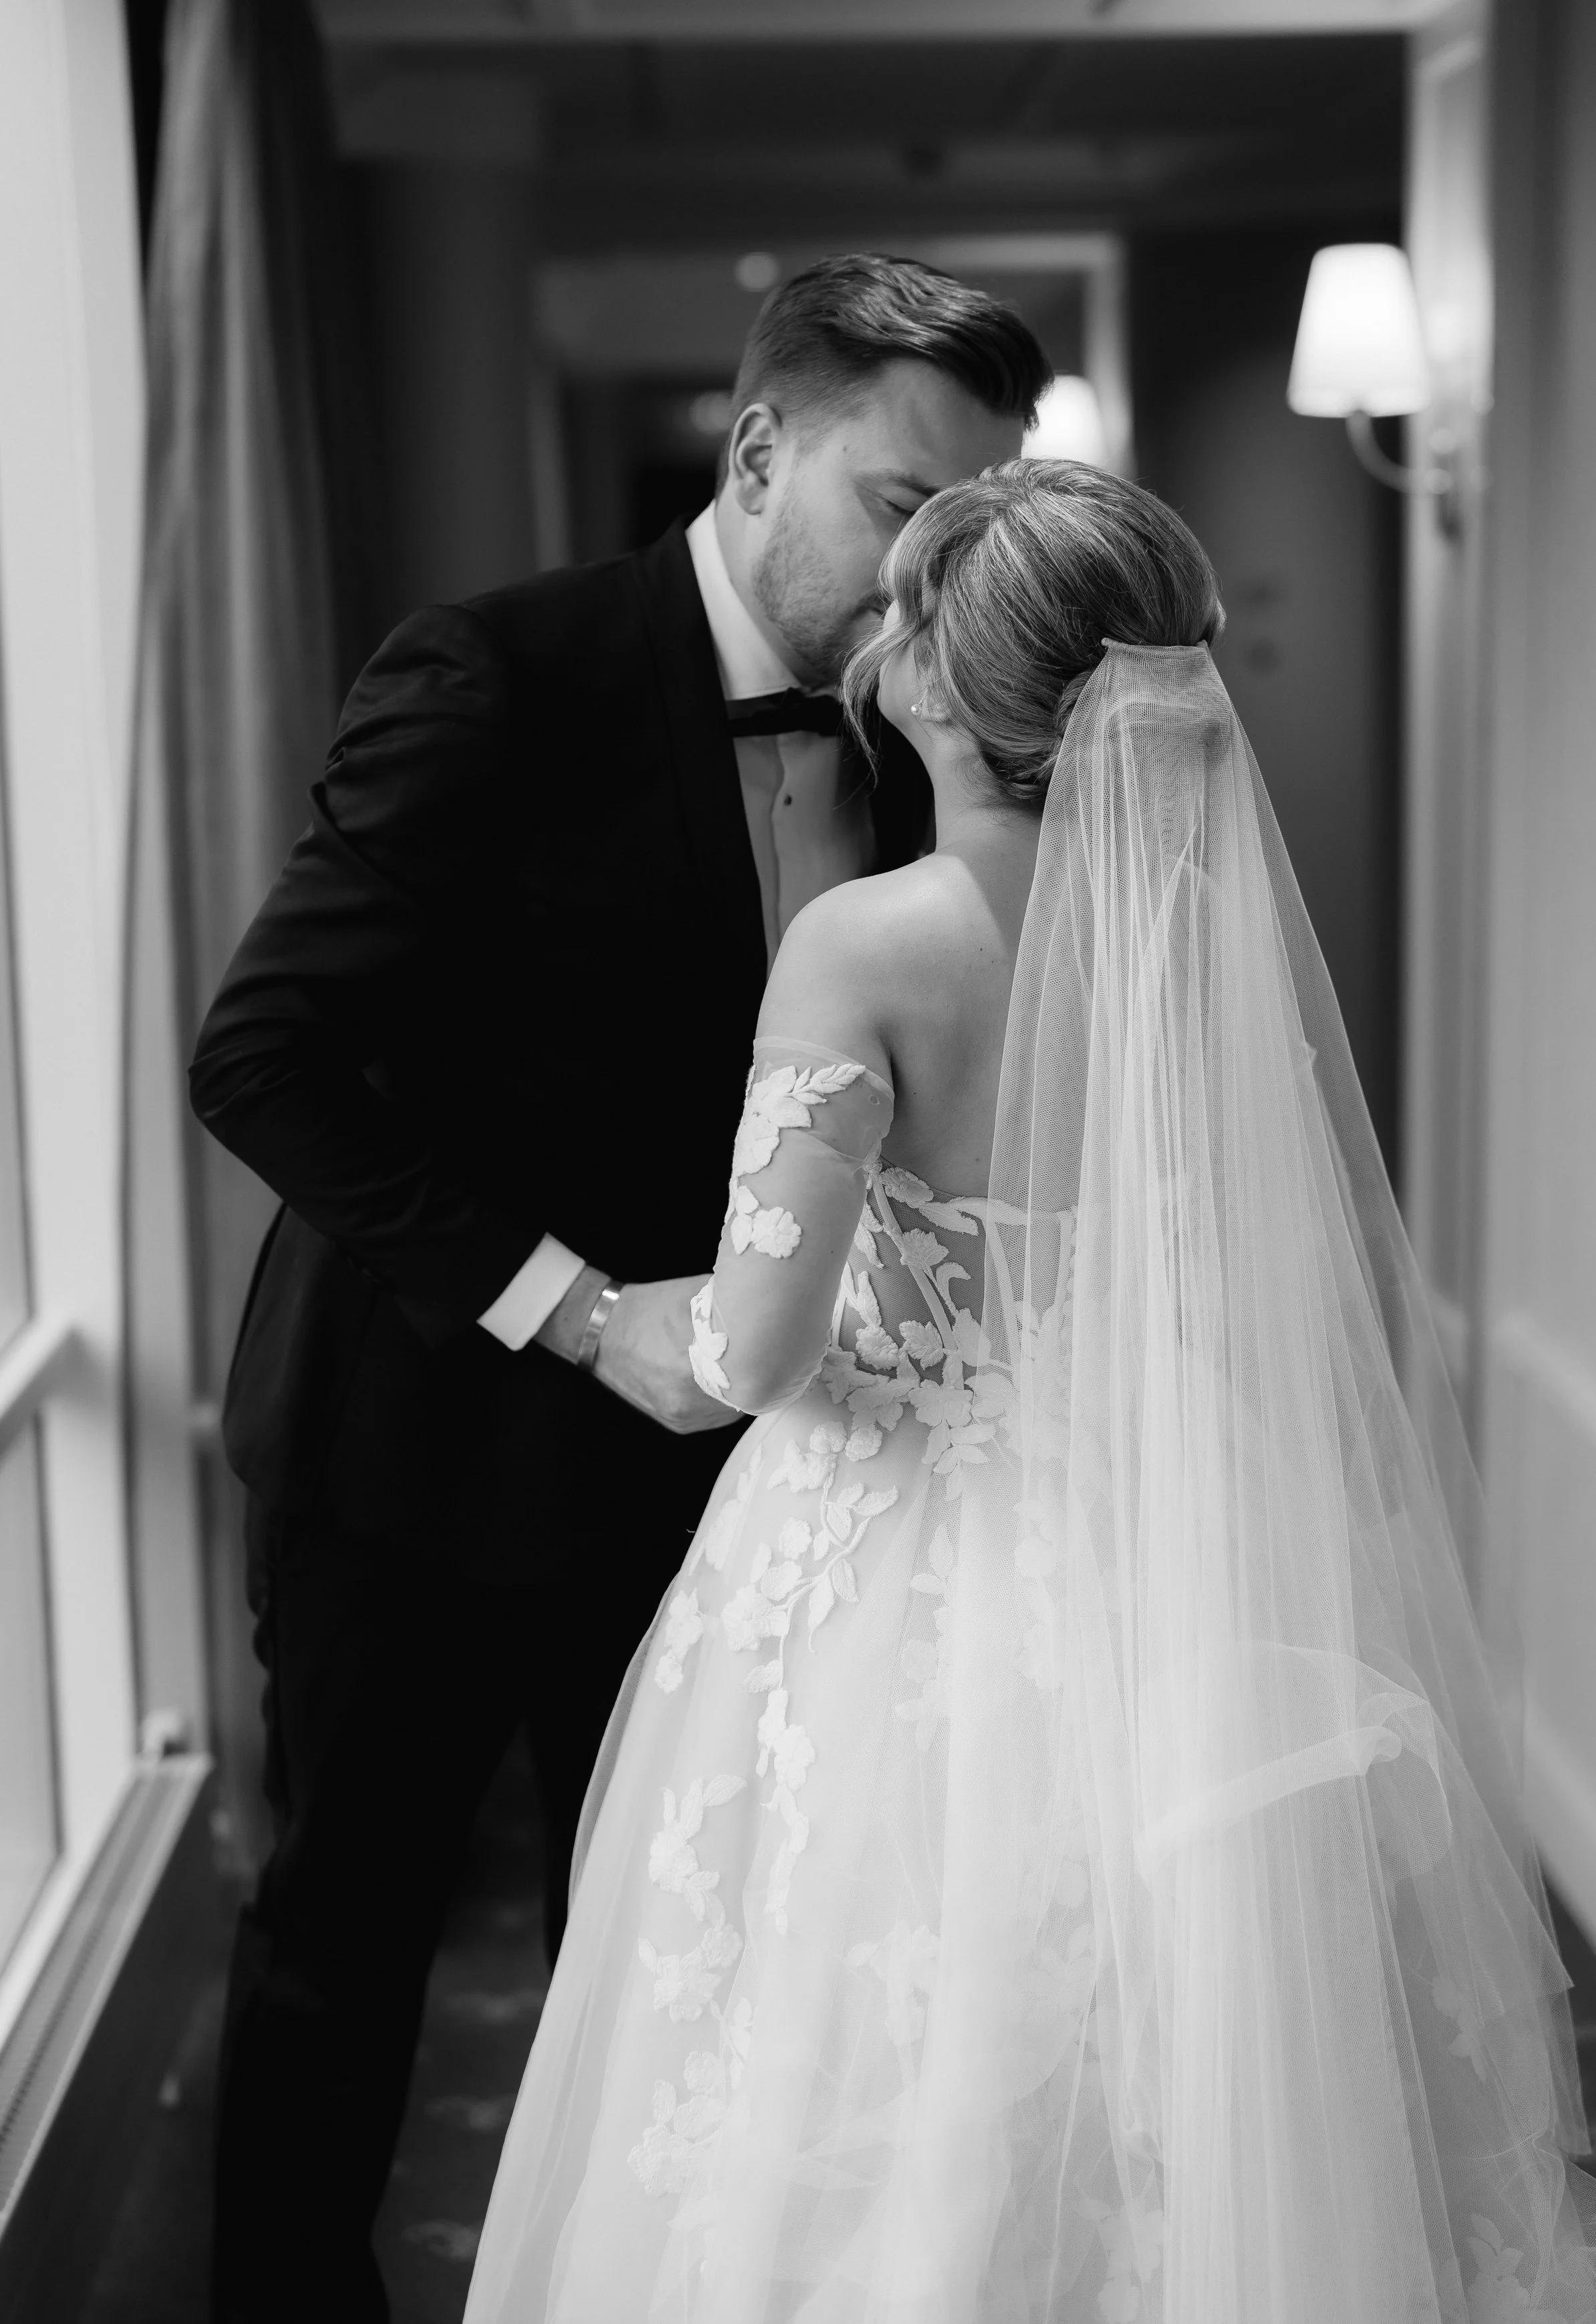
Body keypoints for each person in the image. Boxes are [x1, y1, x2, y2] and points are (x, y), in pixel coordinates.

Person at [462, 461, 1596, 2322]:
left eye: (910, 610)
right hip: (1145, 1547)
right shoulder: (1186, 950)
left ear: (936, 678)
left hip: (894, 1570)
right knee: (1149, 2067)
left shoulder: (864, 942)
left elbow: (748, 1357)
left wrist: (603, 1313)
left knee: (851, 2066)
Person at [188, 254, 1051, 2324]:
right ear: (757, 450)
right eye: (894, 504)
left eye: (967, 524)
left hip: (733, 1487)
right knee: (346, 1943)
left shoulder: (928, 743)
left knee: (677, 1954)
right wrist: (584, 1308)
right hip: (418, 1445)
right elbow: (261, 1053)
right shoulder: (495, 674)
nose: (928, 573)